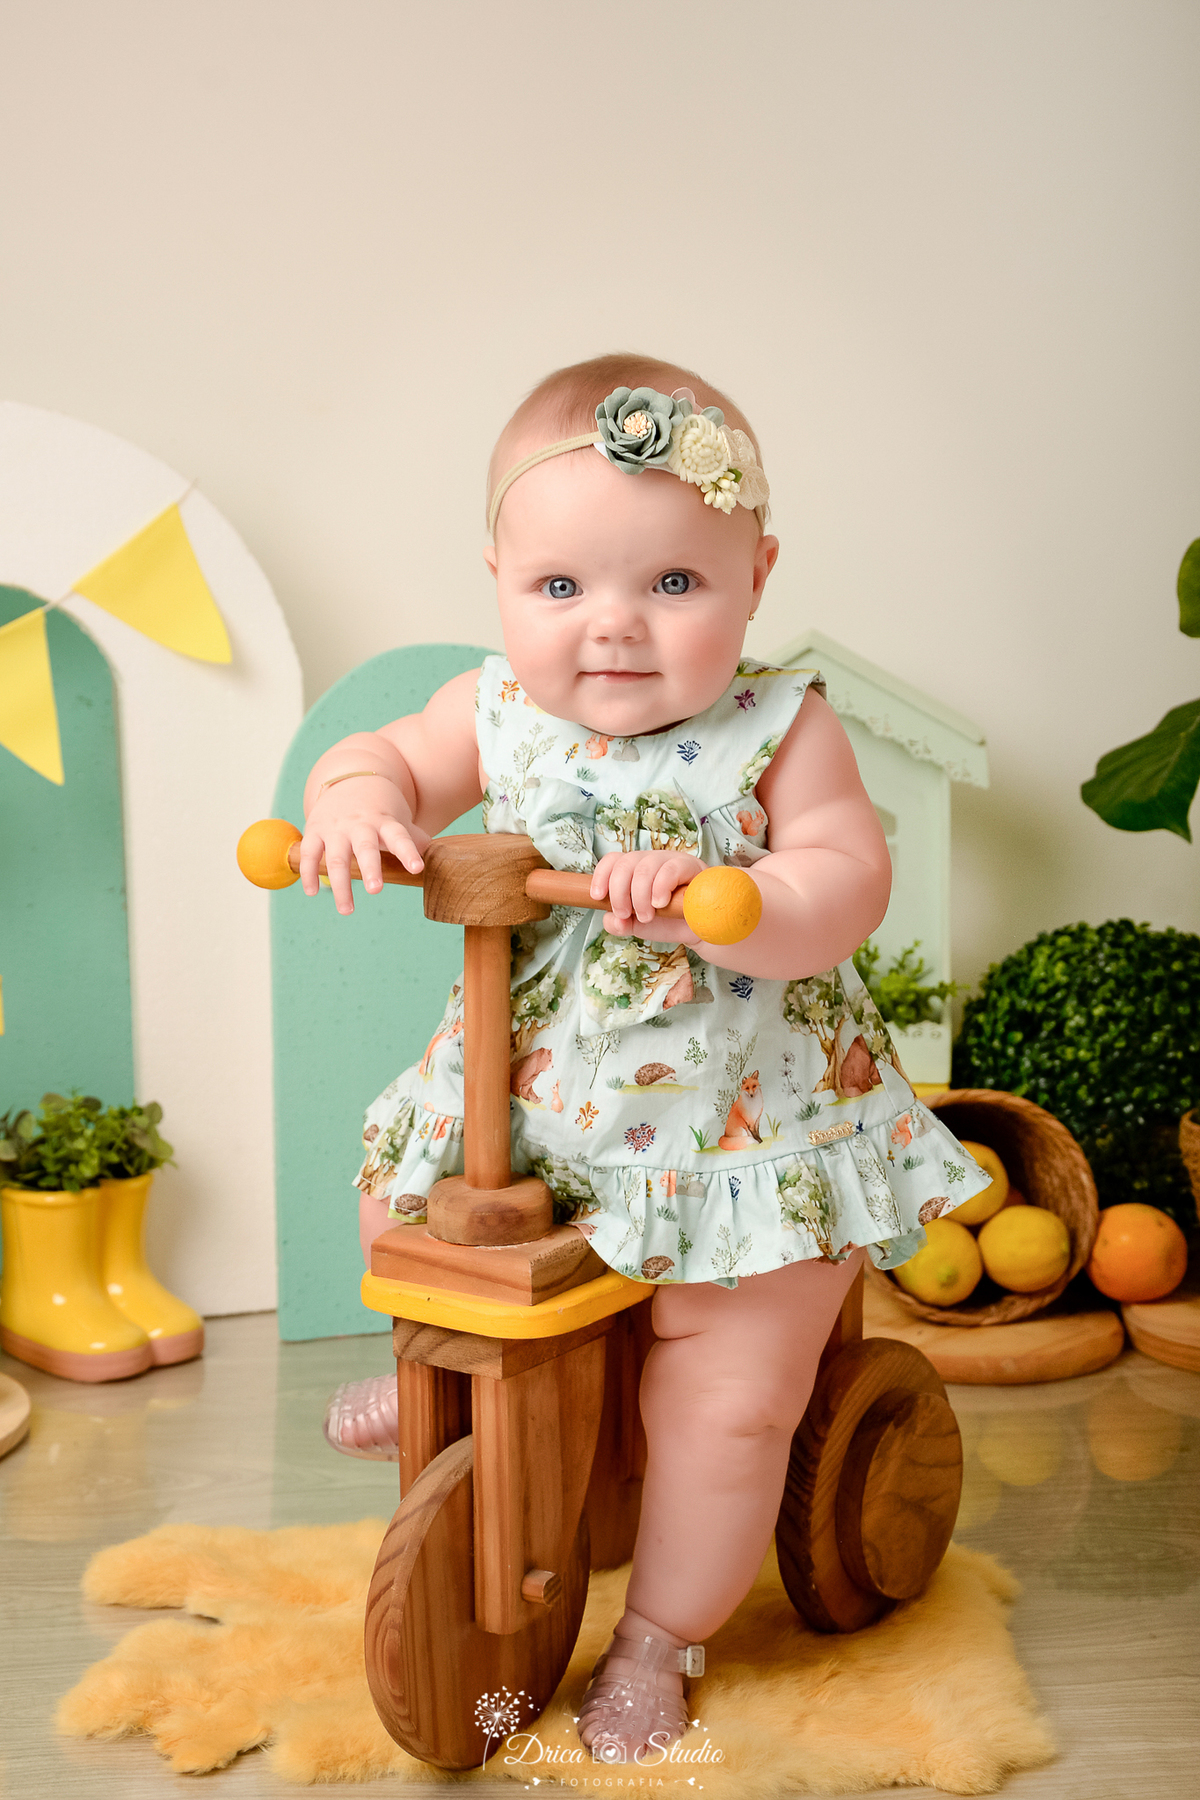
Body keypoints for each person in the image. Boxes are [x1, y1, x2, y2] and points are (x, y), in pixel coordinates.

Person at [305, 354, 989, 1759]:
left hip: (745, 1129)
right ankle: (448, 1381)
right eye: (561, 586)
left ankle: (662, 1634)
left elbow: (846, 879)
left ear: (756, 575)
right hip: (536, 1101)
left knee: (726, 1402)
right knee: (398, 1206)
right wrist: (357, 799)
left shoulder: (778, 728)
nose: (612, 626)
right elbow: (386, 755)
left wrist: (738, 902)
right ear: (499, 581)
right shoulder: (494, 709)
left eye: (673, 583)